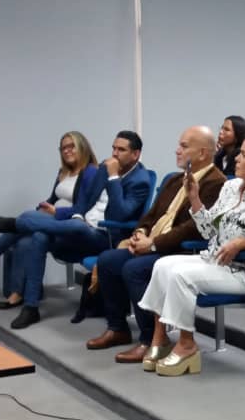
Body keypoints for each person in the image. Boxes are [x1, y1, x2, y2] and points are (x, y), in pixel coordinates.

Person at [137, 131, 245, 376]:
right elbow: (209, 229)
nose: (236, 159)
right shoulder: (230, 187)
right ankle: (160, 337)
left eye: (244, 155)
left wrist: (244, 242)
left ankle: (186, 345)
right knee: (163, 265)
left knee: (180, 275)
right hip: (214, 259)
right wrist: (194, 198)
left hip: (244, 271)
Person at [0, 131, 151, 329]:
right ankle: (31, 307)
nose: (114, 154)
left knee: (73, 225)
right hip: (82, 228)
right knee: (40, 236)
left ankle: (16, 225)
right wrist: (76, 214)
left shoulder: (140, 180)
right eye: (113, 148)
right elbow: (84, 203)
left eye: (121, 150)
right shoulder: (104, 168)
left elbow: (121, 215)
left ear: (136, 154)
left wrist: (113, 178)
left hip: (107, 237)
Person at [85, 126, 226, 362]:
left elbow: (193, 228)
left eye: (184, 146)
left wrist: (152, 244)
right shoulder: (174, 179)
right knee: (108, 260)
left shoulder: (217, 183)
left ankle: (152, 339)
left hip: (182, 251)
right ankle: (117, 328)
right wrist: (140, 233)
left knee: (134, 269)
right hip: (155, 244)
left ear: (202, 153)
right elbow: (151, 215)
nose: (177, 150)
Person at [0, 131, 98, 310]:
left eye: (71, 146)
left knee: (25, 221)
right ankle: (18, 293)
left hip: (71, 228)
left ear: (82, 146)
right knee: (25, 240)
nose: (67, 151)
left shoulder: (91, 172)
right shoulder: (63, 172)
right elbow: (52, 199)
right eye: (63, 148)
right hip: (52, 221)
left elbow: (84, 208)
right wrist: (42, 208)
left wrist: (56, 211)